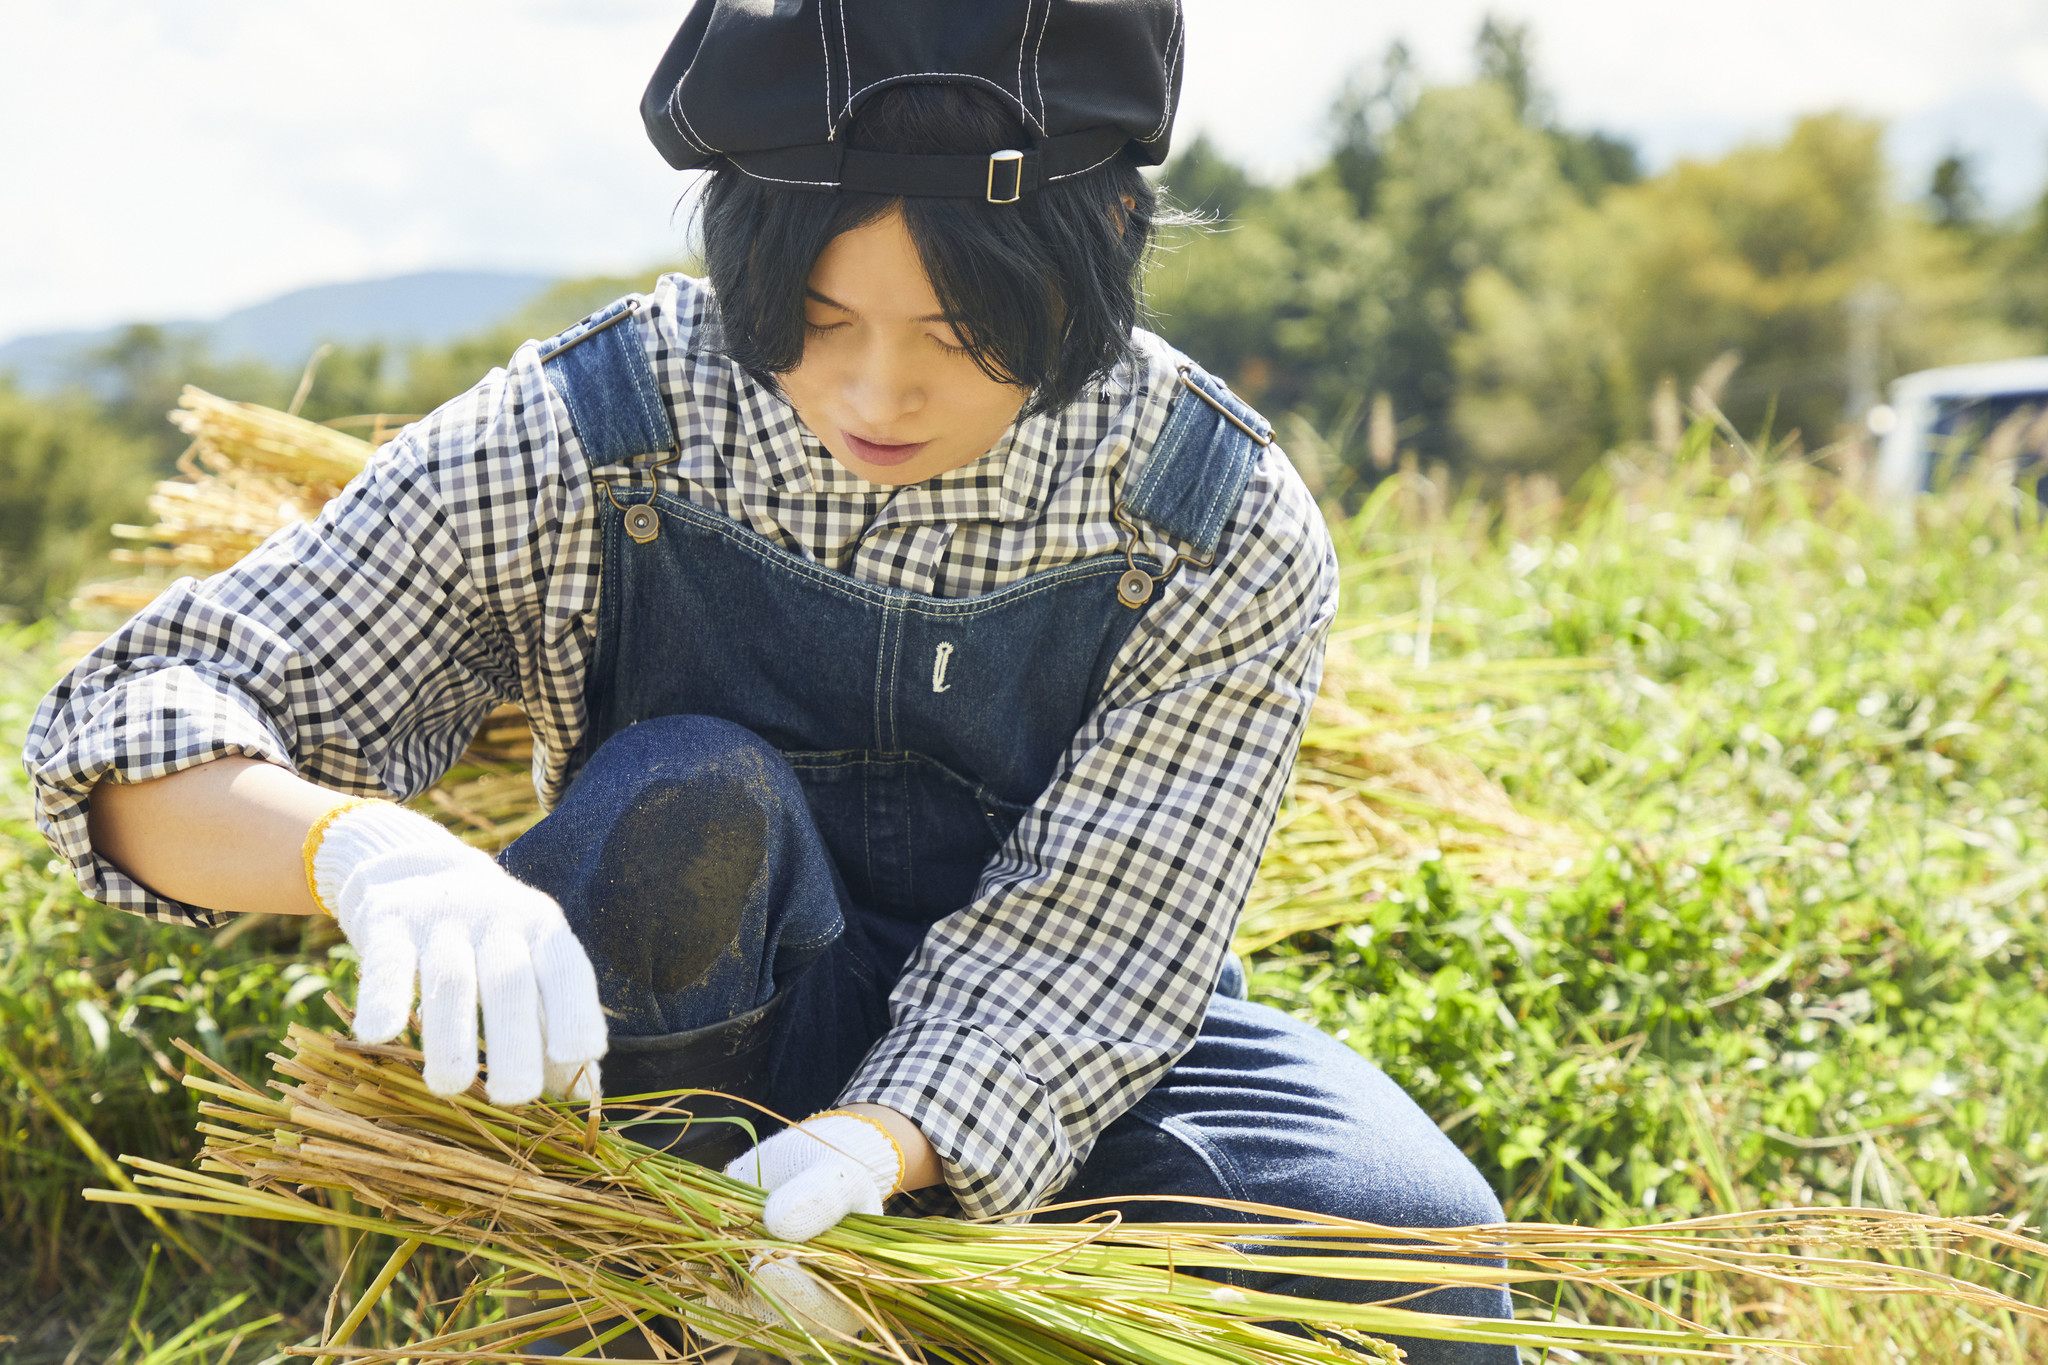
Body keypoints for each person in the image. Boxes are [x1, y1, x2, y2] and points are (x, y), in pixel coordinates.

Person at [24, 3, 1516, 1360]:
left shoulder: (1209, 513)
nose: (877, 394)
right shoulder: (600, 426)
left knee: (1412, 1260)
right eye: (816, 320)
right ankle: (647, 1299)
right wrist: (363, 850)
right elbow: (135, 715)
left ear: (1108, 243)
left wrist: (880, 1147)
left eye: (960, 334)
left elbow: (1098, 945)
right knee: (687, 801)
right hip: (684, 1050)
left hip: (1060, 1059)